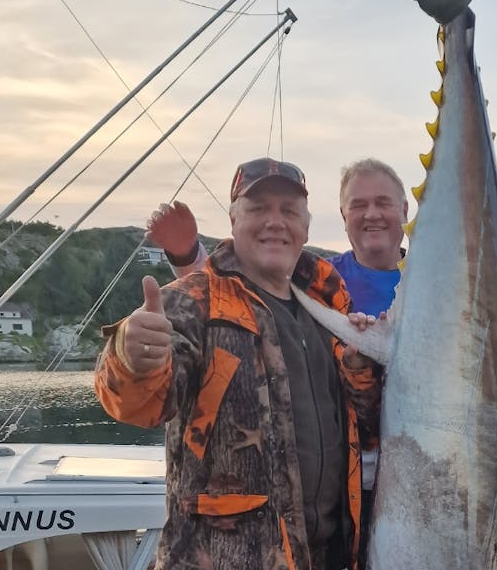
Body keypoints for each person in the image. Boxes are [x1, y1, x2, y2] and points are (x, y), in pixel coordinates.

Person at [144, 158, 497, 569]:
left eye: (383, 202)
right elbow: (237, 300)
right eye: (358, 204)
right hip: (352, 495)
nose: (372, 214)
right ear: (341, 216)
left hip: (423, 488)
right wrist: (187, 259)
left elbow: (485, 352)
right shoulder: (320, 284)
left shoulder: (442, 287)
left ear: (407, 211)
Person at [95, 157, 380, 570]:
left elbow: (365, 424)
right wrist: (132, 357)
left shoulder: (330, 310)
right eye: (258, 208)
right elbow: (142, 404)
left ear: (305, 225)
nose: (275, 221)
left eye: (288, 210)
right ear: (233, 220)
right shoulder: (192, 301)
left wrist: (360, 367)